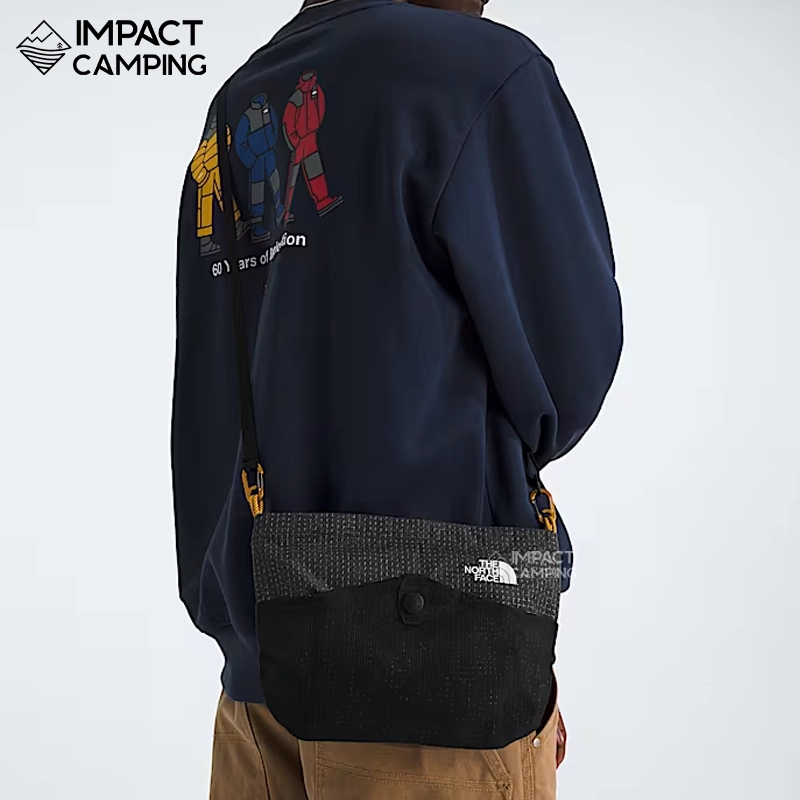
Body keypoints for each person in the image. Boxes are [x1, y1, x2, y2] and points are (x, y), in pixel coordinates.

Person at [170, 0, 623, 797]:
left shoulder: (242, 95)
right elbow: (567, 367)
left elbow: (214, 394)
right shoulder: (476, 73)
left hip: (259, 685)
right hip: (432, 681)